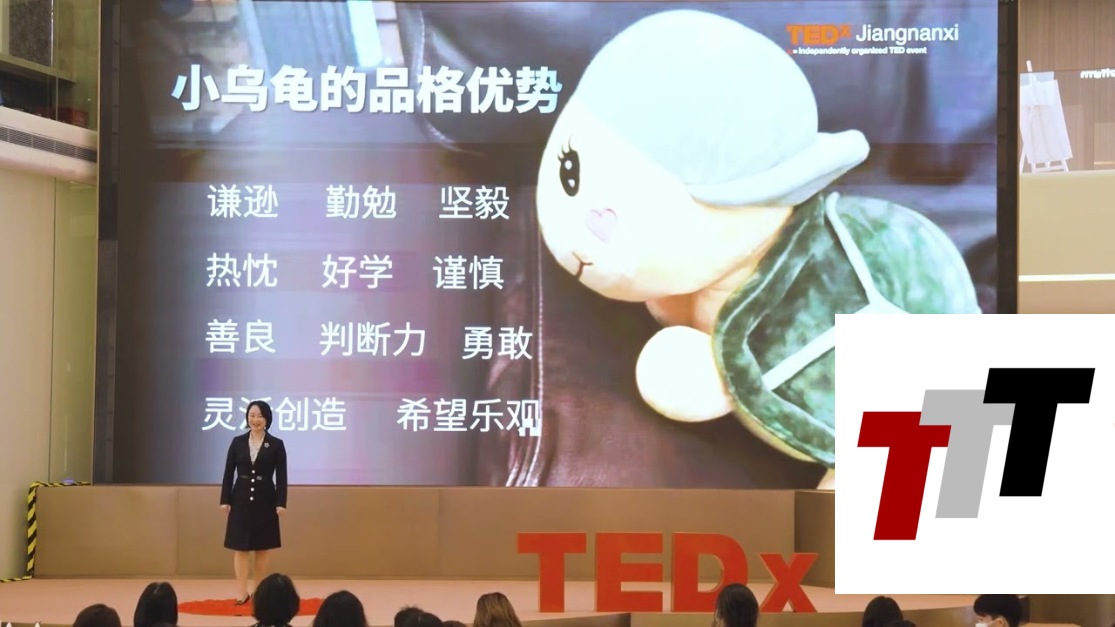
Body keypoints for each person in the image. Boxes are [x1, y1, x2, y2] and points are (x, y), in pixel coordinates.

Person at [220, 400, 289, 603]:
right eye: (252, 415)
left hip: (265, 500)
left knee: (262, 548)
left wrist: (281, 502)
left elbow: (282, 476)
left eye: (259, 416)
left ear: (267, 419)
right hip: (240, 500)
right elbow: (228, 472)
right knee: (240, 548)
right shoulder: (237, 442)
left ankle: (258, 591)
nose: (255, 419)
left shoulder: (276, 444)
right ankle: (241, 592)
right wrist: (225, 499)